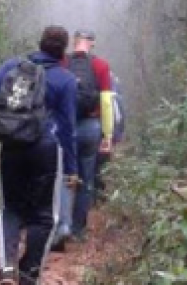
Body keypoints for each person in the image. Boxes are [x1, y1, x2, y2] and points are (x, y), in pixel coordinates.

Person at [0, 26, 78, 285]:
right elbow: (68, 126)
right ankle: (29, 273)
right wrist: (71, 167)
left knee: (10, 208)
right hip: (46, 148)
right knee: (43, 215)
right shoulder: (65, 79)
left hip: (12, 145)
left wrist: (6, 115)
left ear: (40, 43)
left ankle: (6, 271)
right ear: (63, 51)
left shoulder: (15, 65)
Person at [63, 29, 114, 240]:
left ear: (75, 42)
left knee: (64, 178)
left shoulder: (62, 62)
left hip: (65, 128)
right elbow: (106, 102)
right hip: (90, 127)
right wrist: (108, 135)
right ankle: (78, 231)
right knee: (86, 179)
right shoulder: (101, 65)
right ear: (91, 43)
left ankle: (61, 228)